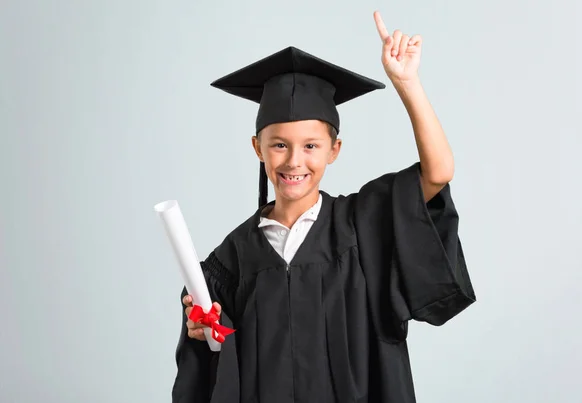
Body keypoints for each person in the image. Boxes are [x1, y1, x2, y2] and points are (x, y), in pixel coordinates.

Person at [171, 11, 476, 403]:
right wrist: (205, 329)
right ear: (257, 149)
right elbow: (215, 368)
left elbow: (437, 173)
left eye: (311, 145)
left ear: (334, 150)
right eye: (279, 144)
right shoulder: (231, 259)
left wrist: (408, 83)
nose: (294, 160)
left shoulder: (363, 225)